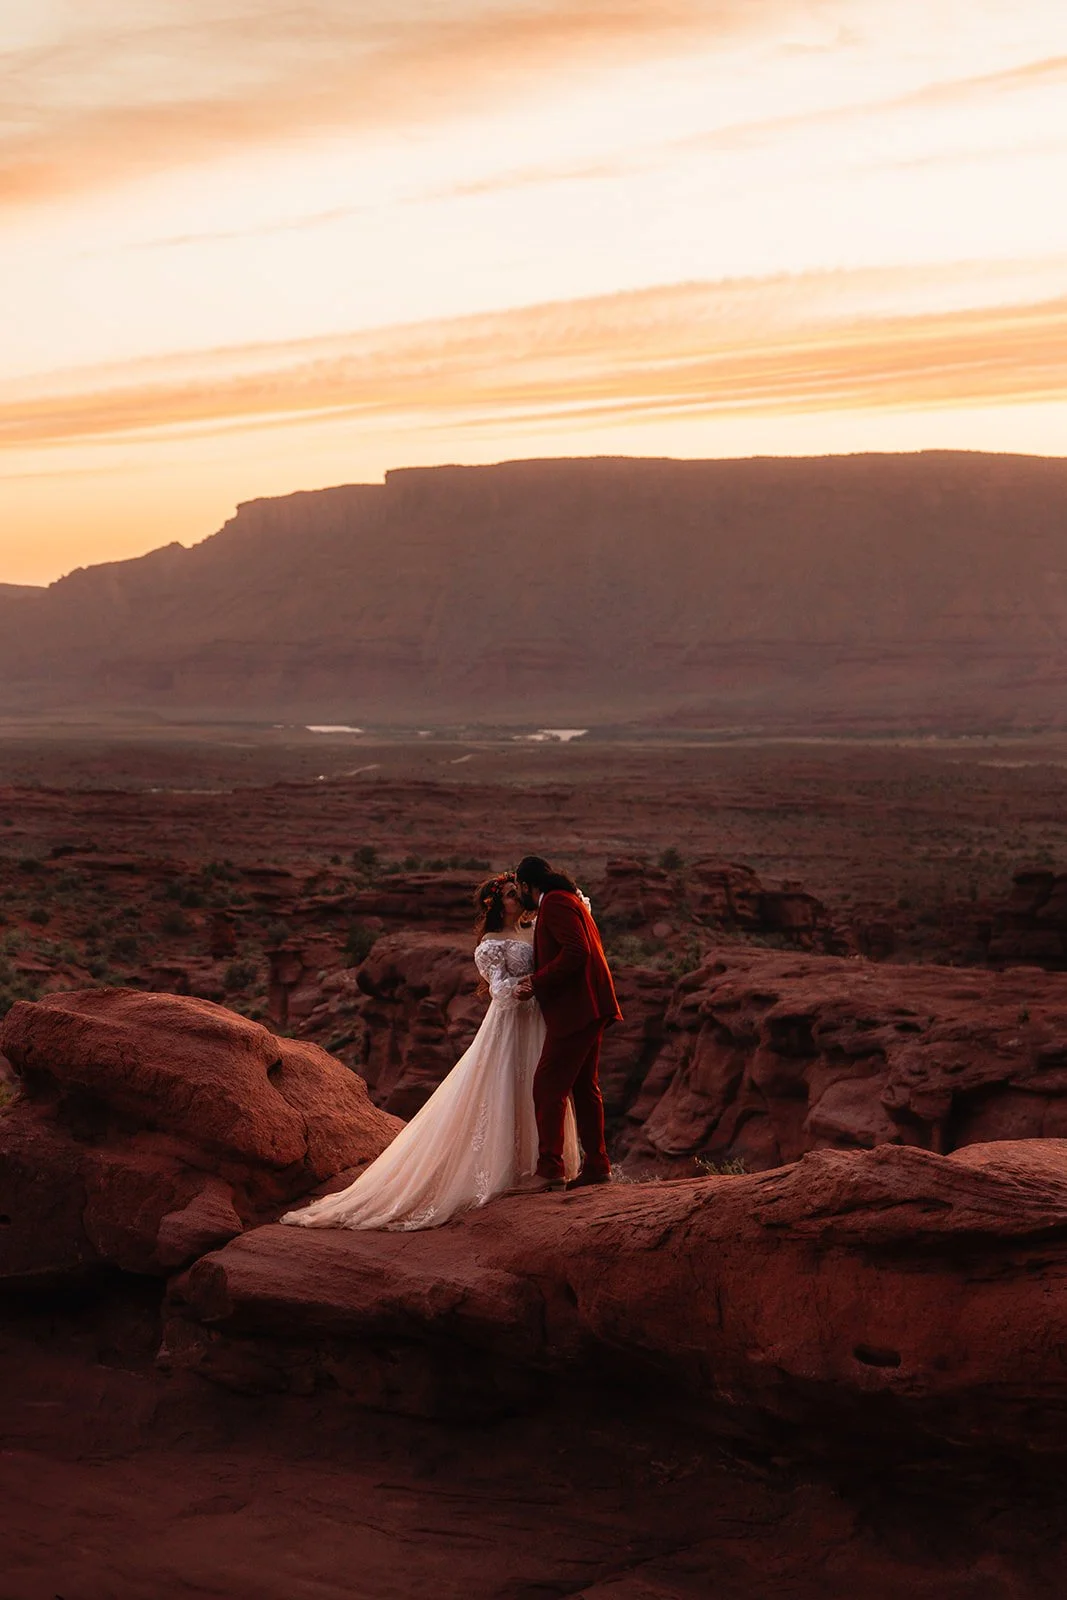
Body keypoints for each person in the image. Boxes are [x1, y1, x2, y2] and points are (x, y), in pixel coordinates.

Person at [280, 872, 578, 1231]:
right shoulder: (490, 945)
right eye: (513, 896)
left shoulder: (534, 930)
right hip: (511, 1026)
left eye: (519, 893)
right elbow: (498, 991)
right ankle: (507, 1172)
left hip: (538, 1022)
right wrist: (529, 984)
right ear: (499, 905)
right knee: (505, 1089)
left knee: (541, 1087)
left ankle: (540, 1166)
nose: (520, 899)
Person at [510, 854, 622, 1194]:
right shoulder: (568, 898)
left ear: (528, 886)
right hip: (592, 1005)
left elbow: (577, 952)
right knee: (586, 1087)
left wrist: (536, 981)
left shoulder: (556, 903)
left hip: (577, 1009)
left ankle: (550, 1170)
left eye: (520, 889)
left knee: (548, 1086)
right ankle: (598, 1166)